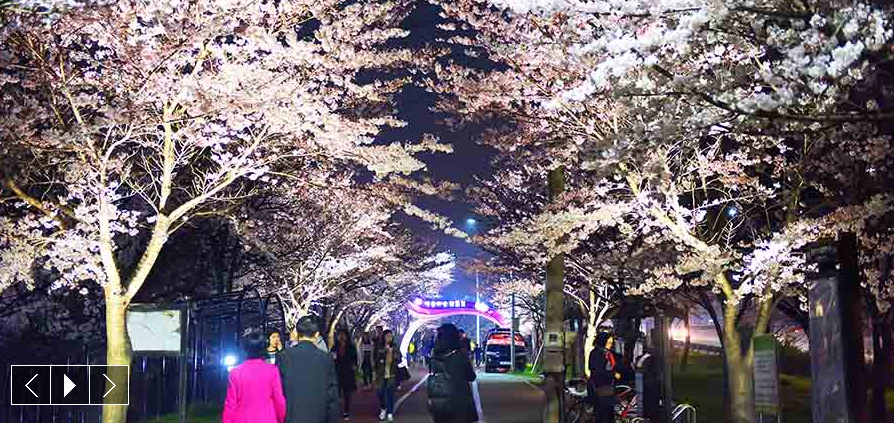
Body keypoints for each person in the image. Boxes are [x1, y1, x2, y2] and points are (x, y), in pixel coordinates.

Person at [277, 316, 340, 423]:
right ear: (316, 334)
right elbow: (332, 395)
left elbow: (279, 391)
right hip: (318, 417)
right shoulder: (325, 358)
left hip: (292, 416)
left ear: (297, 332)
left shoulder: (283, 357)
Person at [222, 330, 286, 423]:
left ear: (245, 349)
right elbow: (279, 400)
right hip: (267, 418)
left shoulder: (235, 372)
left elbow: (230, 404)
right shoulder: (272, 370)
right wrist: (282, 419)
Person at [428, 323, 477, 423]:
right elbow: (471, 376)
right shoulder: (460, 355)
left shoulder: (435, 356)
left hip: (440, 400)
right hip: (460, 401)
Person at [588, 333, 621, 423]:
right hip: (600, 389)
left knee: (608, 414)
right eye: (608, 343)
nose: (610, 345)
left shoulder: (607, 353)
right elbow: (598, 372)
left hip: (608, 389)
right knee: (603, 415)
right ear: (602, 342)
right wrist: (613, 374)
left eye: (611, 343)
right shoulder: (596, 354)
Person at [374, 329, 402, 422]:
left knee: (390, 394)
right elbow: (375, 358)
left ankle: (389, 412)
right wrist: (384, 352)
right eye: (387, 336)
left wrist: (392, 353)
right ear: (384, 337)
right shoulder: (379, 346)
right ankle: (383, 408)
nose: (389, 338)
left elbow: (399, 358)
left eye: (391, 336)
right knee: (380, 392)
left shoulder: (395, 346)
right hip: (381, 374)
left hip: (392, 373)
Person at [332, 329, 358, 420]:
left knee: (347, 394)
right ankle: (336, 411)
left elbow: (355, 358)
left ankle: (346, 411)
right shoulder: (335, 347)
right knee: (336, 393)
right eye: (340, 335)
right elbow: (332, 357)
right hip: (338, 372)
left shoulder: (351, 347)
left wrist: (354, 365)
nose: (342, 337)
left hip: (348, 372)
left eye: (343, 335)